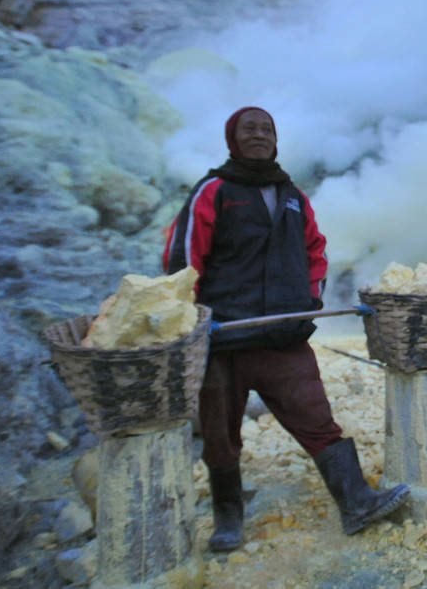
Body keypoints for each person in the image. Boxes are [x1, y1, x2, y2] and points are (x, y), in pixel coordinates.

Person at [163, 106, 409, 551]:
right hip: (223, 339)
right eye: (249, 128)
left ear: (276, 140)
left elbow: (315, 249)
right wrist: (192, 318)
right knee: (219, 433)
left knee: (317, 418)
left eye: (266, 129)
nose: (258, 134)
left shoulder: (293, 195)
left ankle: (356, 504)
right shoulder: (214, 191)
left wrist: (310, 298)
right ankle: (228, 521)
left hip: (282, 336)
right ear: (232, 139)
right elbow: (182, 257)